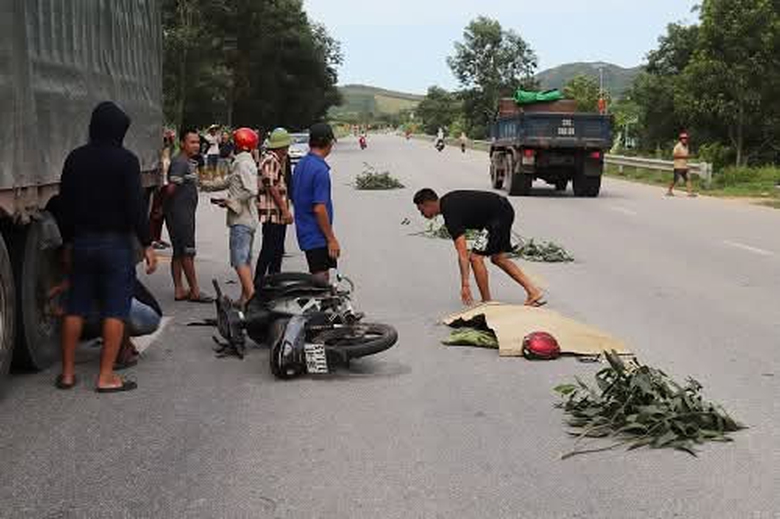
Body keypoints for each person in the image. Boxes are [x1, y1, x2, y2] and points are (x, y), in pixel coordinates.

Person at [56, 101, 158, 393]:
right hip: (115, 245)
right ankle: (105, 377)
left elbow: (65, 204)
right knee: (115, 308)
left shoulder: (75, 158)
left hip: (82, 242)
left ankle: (67, 374)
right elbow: (135, 206)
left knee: (75, 307)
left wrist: (67, 242)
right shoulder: (126, 161)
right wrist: (147, 243)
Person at [413, 188, 545, 307]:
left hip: (497, 216)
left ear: (428, 204)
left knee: (475, 258)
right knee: (498, 258)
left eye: (421, 210)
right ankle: (533, 291)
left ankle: (487, 302)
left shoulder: (450, 214)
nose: (422, 214)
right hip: (503, 209)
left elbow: (463, 254)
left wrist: (465, 285)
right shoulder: (448, 201)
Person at [202, 128, 260, 306]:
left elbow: (251, 190)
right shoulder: (242, 161)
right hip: (246, 219)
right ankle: (245, 298)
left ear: (239, 145)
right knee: (245, 260)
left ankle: (252, 299)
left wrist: (232, 202)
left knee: (239, 261)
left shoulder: (243, 163)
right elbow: (229, 182)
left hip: (242, 220)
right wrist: (205, 185)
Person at [165, 129, 213, 303]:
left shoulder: (188, 162)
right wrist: (162, 207)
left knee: (178, 252)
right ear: (182, 144)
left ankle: (179, 290)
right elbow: (171, 188)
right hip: (180, 215)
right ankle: (195, 291)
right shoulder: (180, 162)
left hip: (182, 213)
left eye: (197, 142)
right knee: (187, 251)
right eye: (192, 142)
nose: (196, 146)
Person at [292, 123, 340, 281]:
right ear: (329, 142)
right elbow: (319, 208)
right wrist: (331, 239)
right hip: (317, 235)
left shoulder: (301, 165)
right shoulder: (320, 170)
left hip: (305, 231)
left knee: (319, 276)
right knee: (320, 280)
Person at [255, 128, 294, 286]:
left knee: (277, 250)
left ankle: (274, 281)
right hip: (272, 213)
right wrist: (285, 210)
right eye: (286, 146)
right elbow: (271, 187)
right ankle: (259, 282)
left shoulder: (277, 160)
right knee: (269, 249)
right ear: (281, 146)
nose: (287, 149)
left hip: (277, 214)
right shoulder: (270, 160)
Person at [150, 129, 176, 250]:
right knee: (154, 213)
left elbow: (173, 147)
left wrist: (171, 139)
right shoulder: (155, 154)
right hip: (158, 186)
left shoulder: (168, 153)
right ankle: (152, 239)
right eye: (164, 141)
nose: (166, 143)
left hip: (166, 185)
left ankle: (158, 237)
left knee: (162, 213)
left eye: (167, 141)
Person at [668, 132, 696, 197]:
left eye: (686, 138)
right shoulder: (677, 146)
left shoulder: (686, 146)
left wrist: (688, 158)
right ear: (680, 139)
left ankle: (690, 193)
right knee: (675, 180)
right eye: (683, 138)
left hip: (684, 166)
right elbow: (674, 155)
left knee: (687, 179)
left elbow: (686, 155)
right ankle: (669, 191)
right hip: (678, 166)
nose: (685, 139)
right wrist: (684, 157)